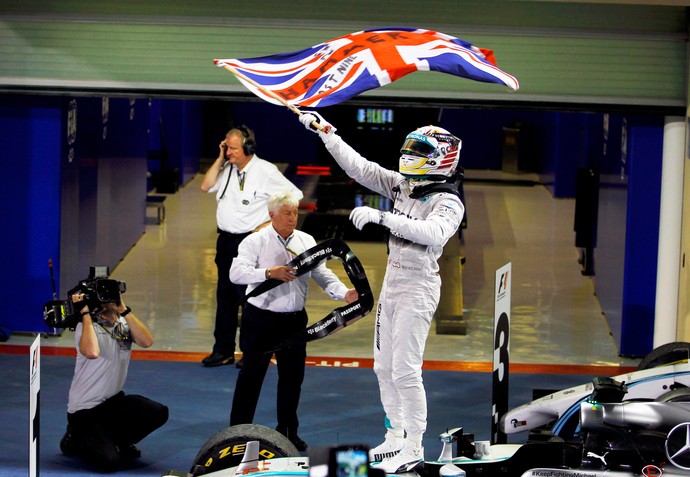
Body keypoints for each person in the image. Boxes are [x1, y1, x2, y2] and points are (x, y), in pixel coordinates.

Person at [299, 112, 465, 473]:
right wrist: (326, 132)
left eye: (418, 149)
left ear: (440, 157)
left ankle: (415, 446)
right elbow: (360, 168)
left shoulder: (449, 202)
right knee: (382, 368)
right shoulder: (404, 185)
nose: (409, 154)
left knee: (406, 371)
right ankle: (395, 437)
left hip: (418, 288)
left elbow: (434, 233)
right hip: (392, 283)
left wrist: (382, 218)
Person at [228, 191, 359, 451]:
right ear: (272, 215)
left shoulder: (306, 240)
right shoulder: (255, 241)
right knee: (251, 378)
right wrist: (268, 272)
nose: (293, 218)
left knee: (292, 378)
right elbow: (236, 273)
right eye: (287, 213)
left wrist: (345, 292)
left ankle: (288, 431)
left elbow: (322, 273)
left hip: (294, 321)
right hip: (260, 320)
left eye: (296, 212)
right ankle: (237, 433)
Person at [200, 125, 303, 368]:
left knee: (250, 299)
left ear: (248, 148)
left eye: (233, 149)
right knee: (224, 298)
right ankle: (222, 350)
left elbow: (295, 195)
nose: (229, 154)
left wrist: (267, 222)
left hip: (249, 242)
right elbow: (205, 186)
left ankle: (252, 352)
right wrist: (219, 158)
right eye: (226, 148)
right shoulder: (226, 169)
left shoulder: (266, 171)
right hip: (225, 241)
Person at [59, 276, 169, 472]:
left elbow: (146, 341)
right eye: (107, 295)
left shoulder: (122, 322)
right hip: (85, 411)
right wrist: (84, 313)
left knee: (158, 412)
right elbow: (92, 352)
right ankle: (74, 437)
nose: (112, 297)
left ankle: (118, 439)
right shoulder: (87, 326)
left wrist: (123, 309)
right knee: (109, 462)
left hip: (113, 402)